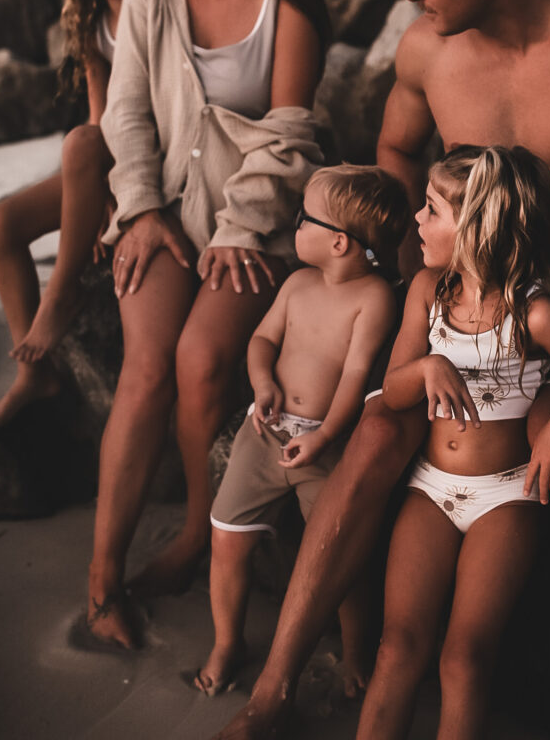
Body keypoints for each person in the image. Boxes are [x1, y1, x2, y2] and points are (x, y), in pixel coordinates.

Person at [216, 0, 550, 740]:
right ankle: (272, 689)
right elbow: (392, 149)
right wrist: (405, 278)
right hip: (455, 298)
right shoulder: (427, 49)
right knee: (380, 428)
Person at [87, 0, 331, 649]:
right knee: (145, 371)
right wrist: (141, 209)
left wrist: (239, 228)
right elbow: (126, 115)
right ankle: (100, 585)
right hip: (164, 215)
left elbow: (289, 135)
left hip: (255, 227)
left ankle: (198, 532)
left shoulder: (288, 1)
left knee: (200, 364)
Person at [356, 146, 550, 740]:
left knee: (464, 657)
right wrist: (427, 367)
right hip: (430, 489)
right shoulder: (427, 291)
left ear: (476, 226)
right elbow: (392, 390)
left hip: (503, 498)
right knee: (397, 645)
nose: (417, 221)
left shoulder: (534, 315)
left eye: (431, 210)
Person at [194, 164, 408, 698]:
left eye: (303, 217)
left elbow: (357, 377)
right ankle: (227, 642)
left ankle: (355, 651)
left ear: (338, 242)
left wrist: (325, 436)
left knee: (341, 558)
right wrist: (262, 382)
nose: (295, 223)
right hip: (266, 432)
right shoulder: (297, 283)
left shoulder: (374, 299)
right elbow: (262, 340)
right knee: (226, 538)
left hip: (326, 445)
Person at [0, 0, 161, 436]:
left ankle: (60, 295)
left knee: (83, 144)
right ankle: (34, 375)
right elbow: (100, 114)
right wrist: (99, 196)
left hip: (159, 161)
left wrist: (124, 193)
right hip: (106, 159)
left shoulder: (160, 7)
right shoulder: (91, 22)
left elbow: (165, 117)